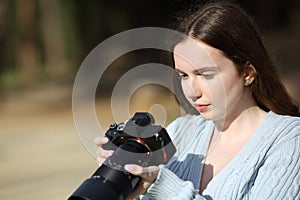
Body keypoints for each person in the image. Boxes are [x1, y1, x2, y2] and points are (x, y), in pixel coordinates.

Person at [95, 0, 300, 199]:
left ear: (248, 72)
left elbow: (163, 188)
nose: (192, 92)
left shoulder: (290, 140)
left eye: (206, 75)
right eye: (184, 75)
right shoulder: (179, 132)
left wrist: (161, 185)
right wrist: (124, 183)